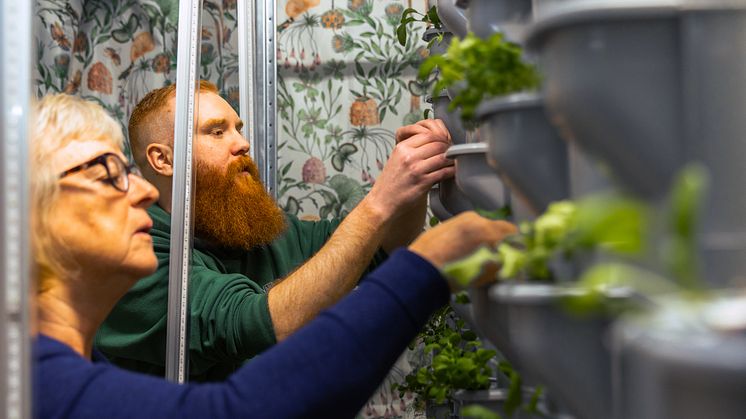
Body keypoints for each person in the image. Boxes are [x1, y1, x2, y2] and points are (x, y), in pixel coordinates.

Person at [33, 93, 517, 418]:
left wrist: (409, 190)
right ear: (27, 210)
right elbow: (246, 407)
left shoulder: (248, 229)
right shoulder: (31, 381)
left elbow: (368, 248)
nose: (137, 190)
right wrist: (424, 266)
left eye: (238, 128)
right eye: (107, 172)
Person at [96, 81, 458, 380]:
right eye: (216, 132)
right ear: (164, 159)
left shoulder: (244, 225)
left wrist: (415, 181)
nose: (242, 143)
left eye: (238, 128)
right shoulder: (133, 254)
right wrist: (379, 202)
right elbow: (256, 324)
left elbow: (380, 245)